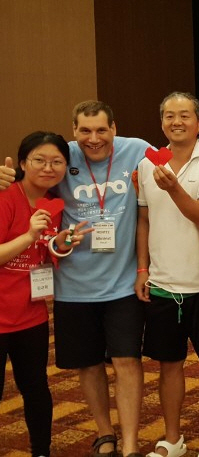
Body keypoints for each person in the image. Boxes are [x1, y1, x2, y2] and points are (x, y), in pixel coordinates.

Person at [47, 101, 150, 457]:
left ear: (114, 128)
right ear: (74, 130)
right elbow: (30, 183)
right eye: (85, 131)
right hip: (73, 286)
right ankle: (105, 433)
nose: (94, 139)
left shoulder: (137, 150)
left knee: (127, 360)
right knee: (88, 364)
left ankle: (131, 443)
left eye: (101, 130)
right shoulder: (61, 157)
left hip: (124, 282)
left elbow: (177, 162)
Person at [135, 93, 199, 457]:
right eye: (169, 116)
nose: (177, 122)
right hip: (162, 284)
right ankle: (172, 439)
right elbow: (144, 220)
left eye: (185, 116)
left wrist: (173, 186)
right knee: (169, 365)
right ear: (161, 123)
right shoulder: (147, 165)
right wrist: (142, 268)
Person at [0, 131, 91, 457]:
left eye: (57, 161)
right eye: (39, 160)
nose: (48, 168)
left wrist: (61, 244)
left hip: (31, 313)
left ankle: (41, 450)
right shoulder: (5, 197)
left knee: (35, 387)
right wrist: (29, 235)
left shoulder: (54, 203)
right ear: (23, 163)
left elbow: (44, 252)